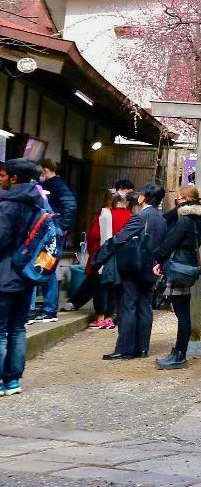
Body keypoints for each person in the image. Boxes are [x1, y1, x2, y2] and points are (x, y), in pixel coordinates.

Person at [104, 183, 166, 361]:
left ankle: (125, 348)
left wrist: (100, 257)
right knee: (145, 305)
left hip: (134, 266)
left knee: (128, 305)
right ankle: (143, 347)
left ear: (143, 198)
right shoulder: (161, 220)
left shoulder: (140, 217)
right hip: (152, 267)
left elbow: (120, 238)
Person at [0, 159, 47, 395]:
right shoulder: (39, 206)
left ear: (14, 179)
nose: (0, 179)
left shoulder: (7, 206)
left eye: (2, 175)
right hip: (28, 275)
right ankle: (13, 381)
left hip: (4, 274)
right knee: (18, 328)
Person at [152, 186, 201, 370]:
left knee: (182, 312)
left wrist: (158, 258)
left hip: (178, 266)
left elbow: (170, 242)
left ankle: (179, 354)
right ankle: (178, 351)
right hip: (186, 265)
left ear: (183, 199)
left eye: (178, 199)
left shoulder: (185, 220)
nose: (176, 202)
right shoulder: (198, 219)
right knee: (182, 311)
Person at [84, 180, 136, 329]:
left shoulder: (106, 213)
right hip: (121, 256)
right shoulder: (130, 216)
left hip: (104, 254)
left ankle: (100, 317)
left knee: (101, 286)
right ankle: (108, 316)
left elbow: (93, 235)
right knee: (113, 286)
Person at [27, 160, 73, 325]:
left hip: (52, 233)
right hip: (53, 231)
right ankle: (48, 309)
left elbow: (70, 204)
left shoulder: (56, 184)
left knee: (45, 268)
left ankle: (46, 309)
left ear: (45, 170)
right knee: (48, 269)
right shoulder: (54, 185)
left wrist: (63, 225)